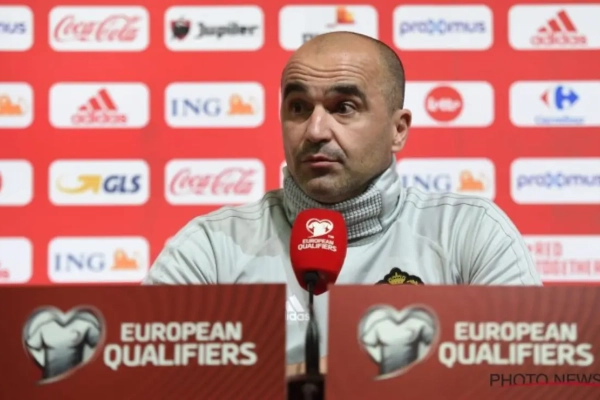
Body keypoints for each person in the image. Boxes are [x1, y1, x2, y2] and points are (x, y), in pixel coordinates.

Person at [142, 31, 542, 376]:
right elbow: (144, 379)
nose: (315, 130)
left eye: (344, 108)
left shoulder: (469, 231)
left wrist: (290, 380)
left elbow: (524, 376)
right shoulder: (212, 245)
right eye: (298, 108)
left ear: (398, 130)